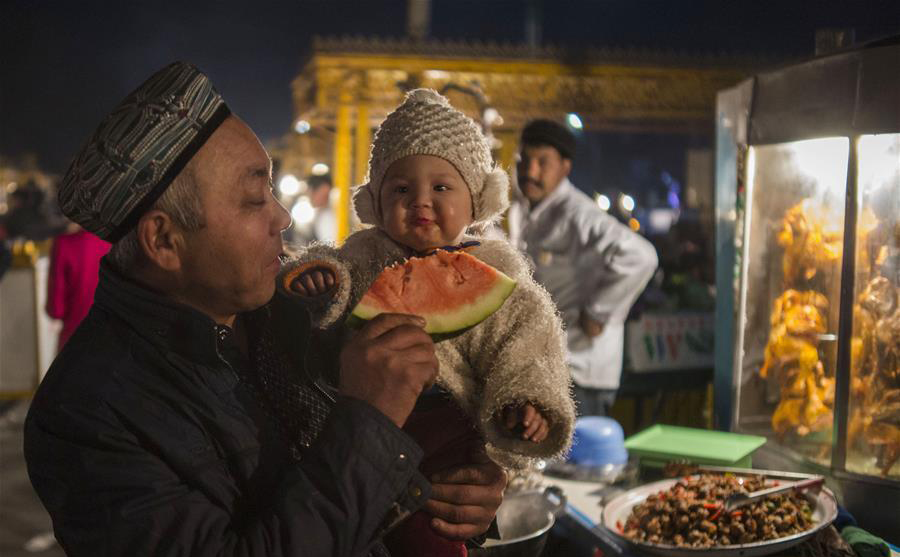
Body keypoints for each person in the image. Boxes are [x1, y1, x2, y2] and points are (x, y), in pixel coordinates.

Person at [24, 62, 505, 557]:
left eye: (273, 189)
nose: (283, 215)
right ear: (164, 240)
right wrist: (370, 424)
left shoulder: (295, 309)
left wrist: (455, 490)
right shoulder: (85, 419)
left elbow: (386, 484)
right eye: (254, 199)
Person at [280, 90, 575, 556]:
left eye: (441, 188)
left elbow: (529, 345)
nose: (420, 202)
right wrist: (323, 281)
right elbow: (334, 270)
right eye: (400, 190)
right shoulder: (364, 255)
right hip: (366, 425)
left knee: (435, 534)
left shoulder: (500, 270)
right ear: (375, 203)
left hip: (454, 433)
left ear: (477, 201)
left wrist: (530, 402)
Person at [508, 119, 659, 417]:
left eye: (542, 162)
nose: (530, 171)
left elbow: (641, 256)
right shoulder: (523, 211)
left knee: (577, 462)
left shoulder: (578, 213)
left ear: (565, 167)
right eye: (524, 160)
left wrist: (598, 312)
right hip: (546, 366)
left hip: (581, 374)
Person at [45, 223, 110, 351]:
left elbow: (56, 309)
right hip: (113, 342)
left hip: (74, 342)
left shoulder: (63, 243)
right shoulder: (115, 242)